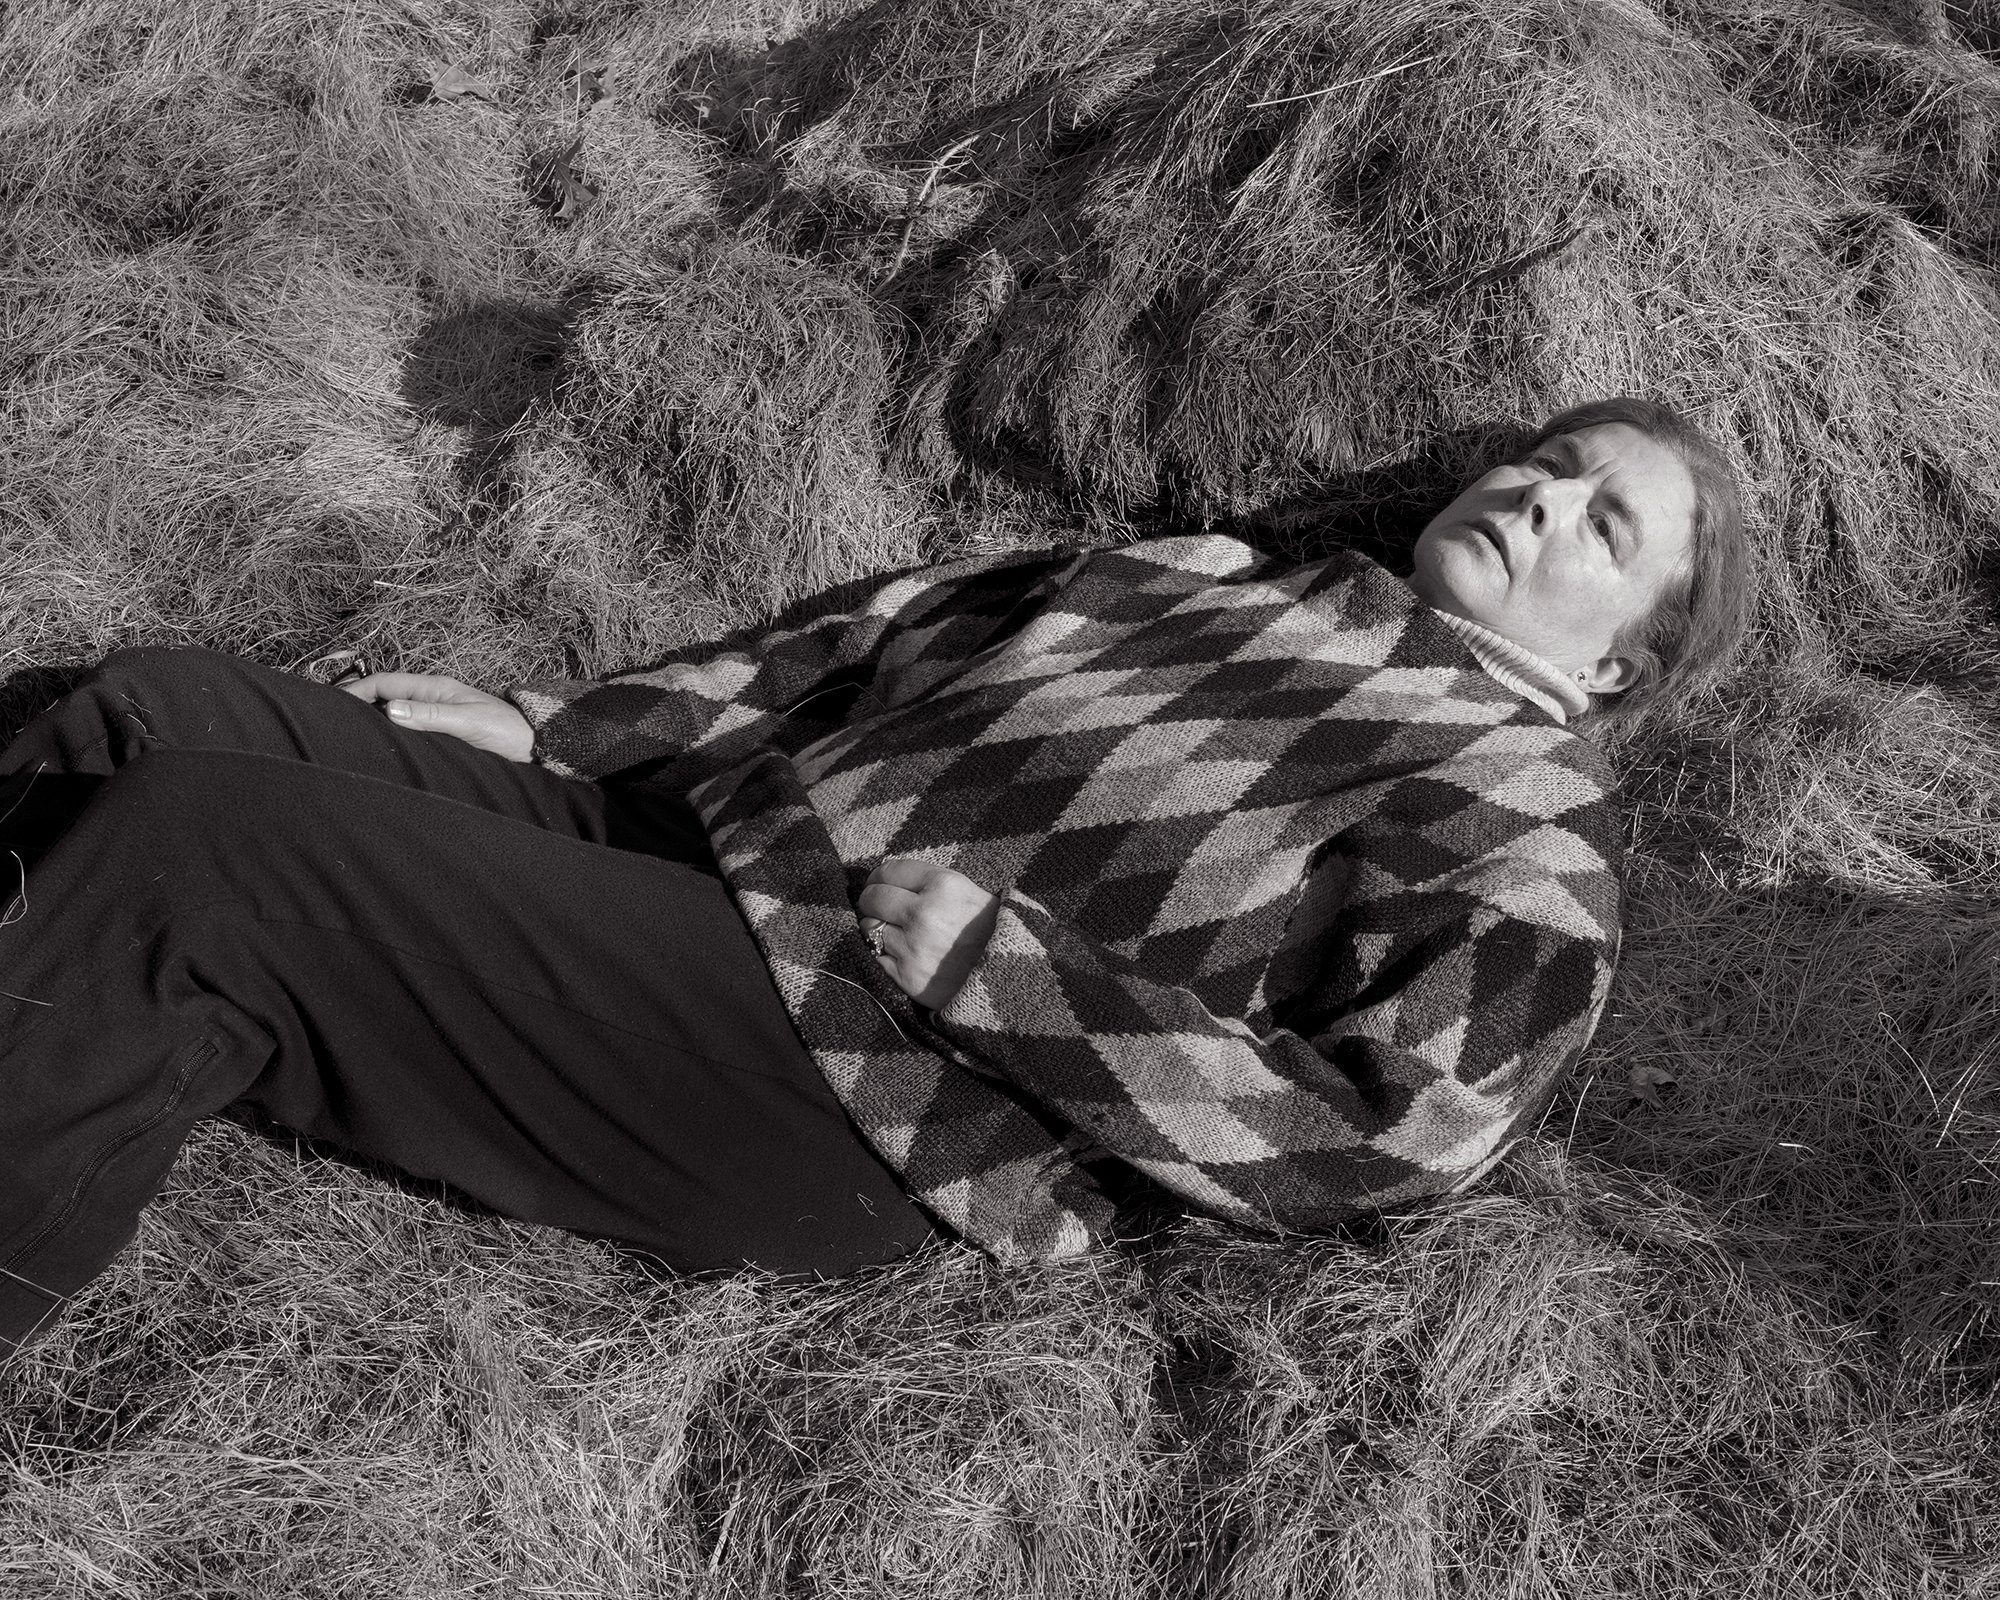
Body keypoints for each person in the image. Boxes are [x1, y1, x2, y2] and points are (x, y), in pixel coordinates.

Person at [0, 395, 1750, 1354]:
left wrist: (1018, 985)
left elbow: (1405, 1133)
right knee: (142, 711)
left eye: (1606, 526)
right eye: (1550, 463)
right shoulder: (1220, 575)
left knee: (201, 862)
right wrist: (558, 726)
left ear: (1618, 669)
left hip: (864, 1082)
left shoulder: (1521, 806)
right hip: (698, 850)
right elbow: (854, 651)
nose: (1541, 498)